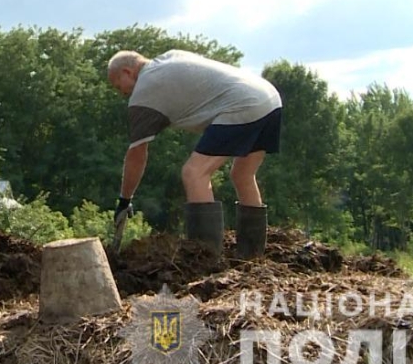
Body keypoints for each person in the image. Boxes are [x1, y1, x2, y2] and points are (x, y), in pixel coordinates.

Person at [107, 49, 282, 259]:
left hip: (243, 104)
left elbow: (137, 154)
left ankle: (207, 261)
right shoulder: (172, 56)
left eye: (119, 86)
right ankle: (253, 257)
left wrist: (124, 201)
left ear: (127, 71)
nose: (122, 93)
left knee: (194, 173)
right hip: (269, 97)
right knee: (242, 175)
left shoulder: (144, 91)